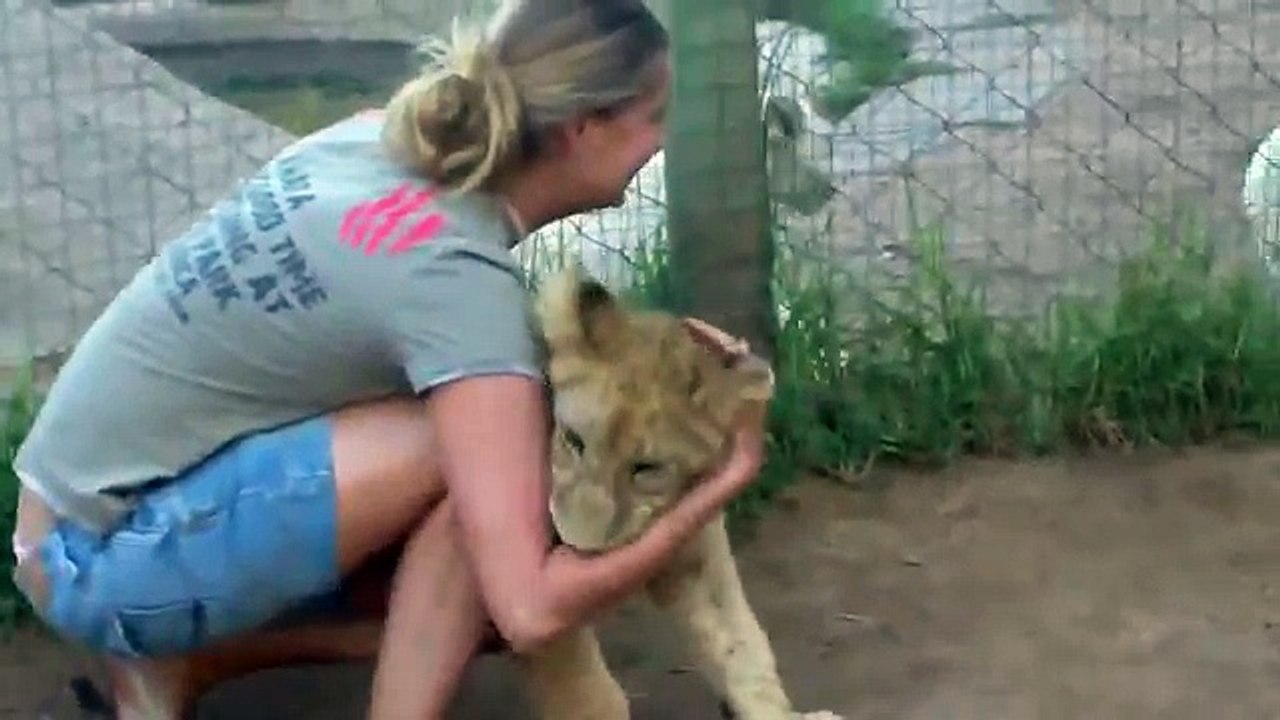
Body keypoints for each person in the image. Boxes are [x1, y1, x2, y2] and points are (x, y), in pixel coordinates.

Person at [8, 1, 770, 719]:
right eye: (653, 118)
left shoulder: (385, 138)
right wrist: (717, 480)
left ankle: (184, 661)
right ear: (582, 129)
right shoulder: (459, 286)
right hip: (98, 563)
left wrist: (659, 364)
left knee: (492, 460)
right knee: (504, 486)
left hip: (66, 522)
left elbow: (418, 323)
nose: (664, 140)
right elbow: (532, 611)